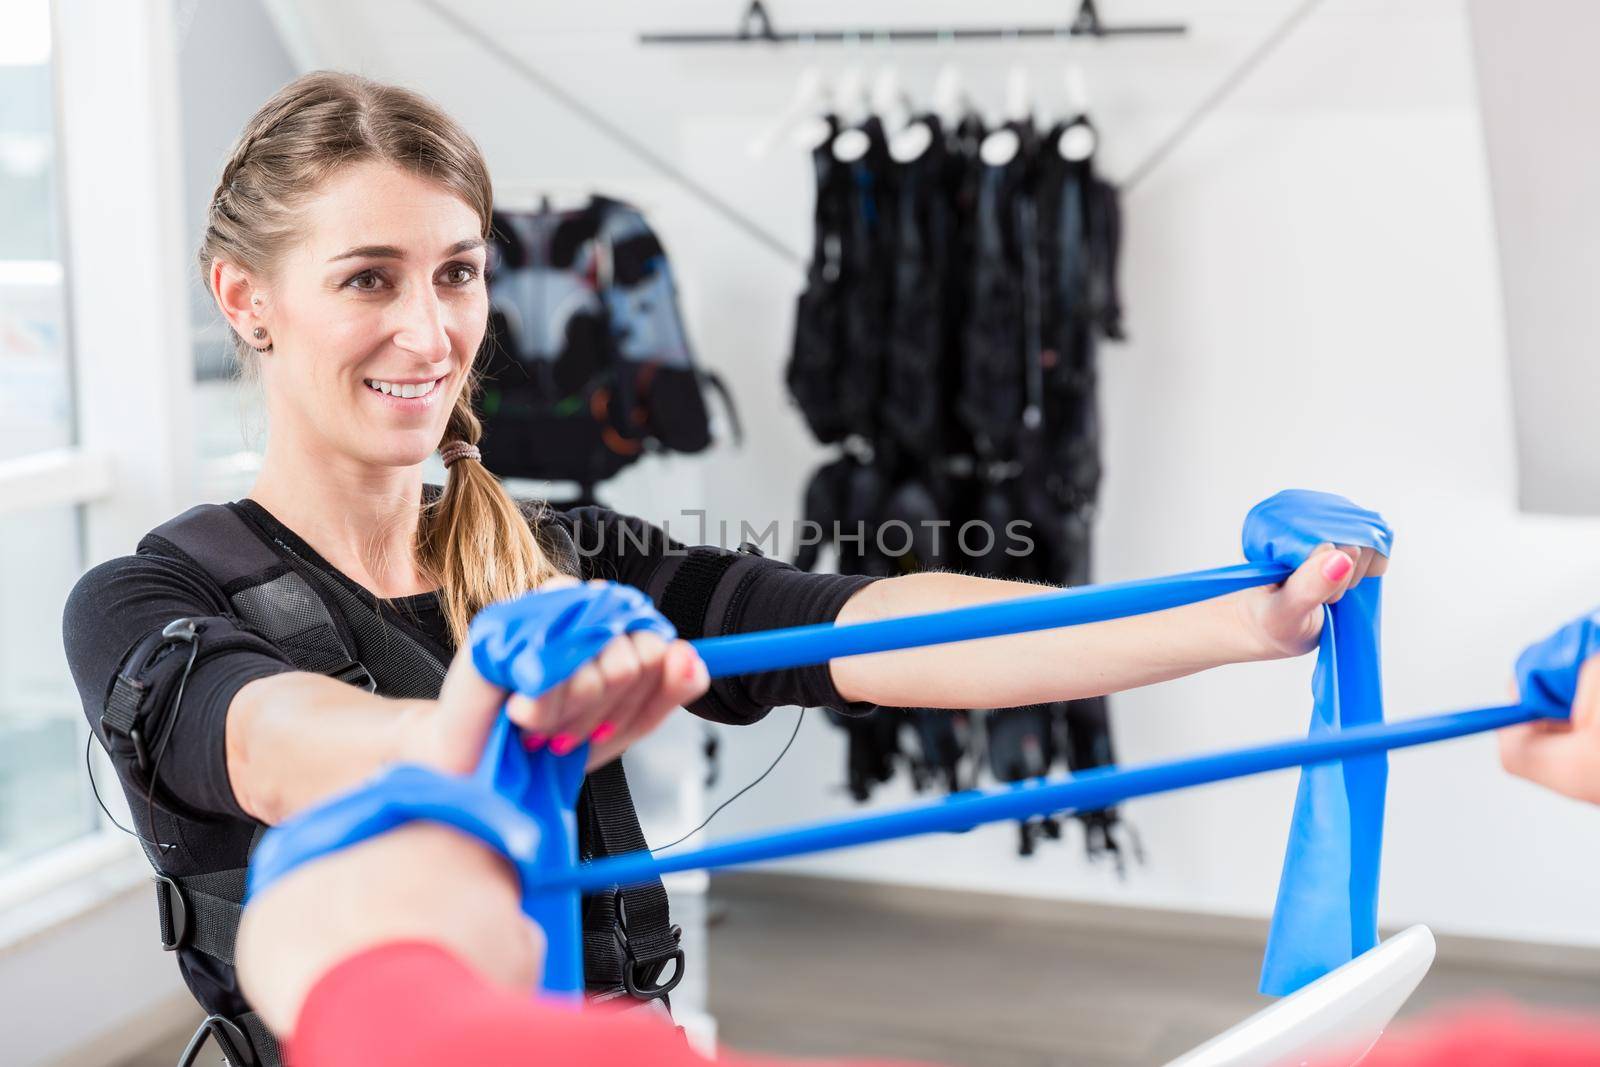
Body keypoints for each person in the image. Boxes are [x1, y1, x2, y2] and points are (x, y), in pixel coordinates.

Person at [62, 69, 1382, 1060]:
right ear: (246, 299)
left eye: (457, 274)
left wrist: (1241, 621)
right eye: (367, 279)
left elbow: (867, 626)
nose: (429, 329)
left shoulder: (565, 558)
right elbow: (279, 741)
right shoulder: (144, 597)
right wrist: (471, 720)